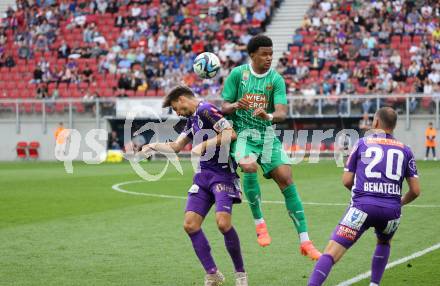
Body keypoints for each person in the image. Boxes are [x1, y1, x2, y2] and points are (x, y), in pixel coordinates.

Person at [221, 34, 321, 260]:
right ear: (253, 55)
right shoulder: (238, 75)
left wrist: (269, 115)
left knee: (286, 177)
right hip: (244, 135)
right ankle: (260, 224)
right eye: (264, 54)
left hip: (266, 135)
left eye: (271, 54)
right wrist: (236, 104)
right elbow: (224, 106)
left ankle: (305, 241)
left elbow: (282, 113)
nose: (269, 58)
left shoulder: (275, 79)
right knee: (248, 166)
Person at [141, 86, 248, 286]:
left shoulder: (206, 109)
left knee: (223, 224)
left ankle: (241, 274)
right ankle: (213, 273)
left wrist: (204, 145)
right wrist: (152, 145)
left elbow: (230, 133)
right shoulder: (192, 120)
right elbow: (176, 146)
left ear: (182, 99)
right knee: (190, 225)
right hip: (202, 177)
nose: (177, 113)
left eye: (176, 108)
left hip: (222, 175)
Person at [308, 107, 421, 286]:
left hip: (362, 207)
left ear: (375, 122)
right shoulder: (406, 150)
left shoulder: (362, 143)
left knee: (331, 253)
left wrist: (364, 192)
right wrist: (400, 202)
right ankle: (374, 284)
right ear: (395, 126)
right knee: (384, 242)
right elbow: (415, 190)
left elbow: (346, 181)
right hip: (391, 212)